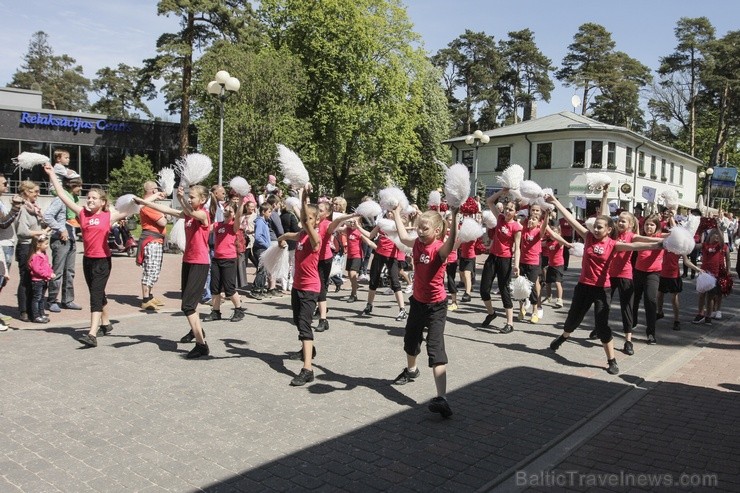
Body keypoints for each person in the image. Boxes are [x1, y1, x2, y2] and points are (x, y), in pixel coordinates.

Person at [546, 194, 664, 375]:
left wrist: (660, 245)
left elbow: (636, 246)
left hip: (602, 289)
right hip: (583, 287)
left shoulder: (614, 244)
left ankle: (612, 361)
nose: (595, 230)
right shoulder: (587, 237)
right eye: (594, 227)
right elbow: (570, 219)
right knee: (572, 321)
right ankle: (563, 337)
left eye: (599, 228)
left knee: (602, 326)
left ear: (609, 229)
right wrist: (555, 202)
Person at [44, 164, 131, 347]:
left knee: (95, 295)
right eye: (89, 197)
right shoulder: (82, 213)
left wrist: (149, 198)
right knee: (96, 292)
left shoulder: (109, 216)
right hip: (87, 260)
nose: (90, 200)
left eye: (94, 198)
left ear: (102, 202)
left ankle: (92, 334)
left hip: (103, 261)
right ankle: (106, 324)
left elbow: (132, 208)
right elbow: (62, 194)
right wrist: (52, 174)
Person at [391, 205, 459, 418]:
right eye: (419, 227)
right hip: (417, 302)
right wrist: (395, 213)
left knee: (435, 348)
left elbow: (452, 239)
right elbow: (403, 236)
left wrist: (455, 216)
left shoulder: (440, 248)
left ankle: (442, 398)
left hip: (437, 306)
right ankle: (411, 371)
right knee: (411, 341)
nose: (419, 231)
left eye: (425, 229)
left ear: (437, 231)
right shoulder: (418, 244)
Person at [134, 185, 212, 358]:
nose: (190, 199)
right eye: (189, 197)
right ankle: (196, 330)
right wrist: (144, 203)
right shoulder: (189, 214)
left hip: (200, 263)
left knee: (188, 306)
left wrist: (182, 199)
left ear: (203, 200)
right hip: (188, 261)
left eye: (192, 197)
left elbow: (192, 214)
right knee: (188, 303)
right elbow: (167, 209)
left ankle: (202, 345)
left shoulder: (203, 214)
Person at [279, 184, 321, 386]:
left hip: (310, 288)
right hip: (297, 287)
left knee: (304, 326)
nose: (305, 222)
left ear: (316, 221)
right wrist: (281, 238)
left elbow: (306, 220)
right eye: (304, 219)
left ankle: (307, 369)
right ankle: (309, 349)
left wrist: (303, 198)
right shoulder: (301, 235)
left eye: (310, 219)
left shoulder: (315, 238)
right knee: (298, 321)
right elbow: (290, 235)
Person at [480, 188, 521, 333]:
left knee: (504, 291)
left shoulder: (516, 227)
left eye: (511, 209)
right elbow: (490, 201)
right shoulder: (500, 218)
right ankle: (491, 314)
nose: (507, 211)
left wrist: (516, 265)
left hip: (505, 260)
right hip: (493, 257)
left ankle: (510, 323)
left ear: (515, 212)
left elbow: (517, 247)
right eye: (507, 208)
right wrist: (502, 192)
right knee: (484, 289)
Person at [43, 176, 83, 313]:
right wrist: (61, 228)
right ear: (72, 186)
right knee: (57, 271)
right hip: (60, 240)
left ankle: (68, 300)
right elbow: (47, 216)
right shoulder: (60, 200)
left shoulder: (73, 201)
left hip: (71, 239)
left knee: (70, 271)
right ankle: (52, 300)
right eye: (79, 186)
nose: (81, 189)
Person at [203, 196, 246, 323]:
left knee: (229, 288)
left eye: (230, 211)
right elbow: (204, 228)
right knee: (215, 287)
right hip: (216, 259)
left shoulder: (234, 226)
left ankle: (239, 310)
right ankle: (216, 312)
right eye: (225, 210)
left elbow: (238, 215)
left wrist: (241, 202)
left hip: (229, 260)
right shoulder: (217, 225)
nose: (227, 213)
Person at [15, 180, 50, 322]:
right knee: (25, 278)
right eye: (35, 191)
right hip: (26, 246)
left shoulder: (33, 208)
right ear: (27, 192)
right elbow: (22, 231)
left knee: (35, 278)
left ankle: (33, 310)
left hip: (35, 245)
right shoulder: (23, 209)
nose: (38, 194)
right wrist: (39, 231)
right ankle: (24, 310)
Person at [632, 214, 665, 344]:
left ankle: (651, 333)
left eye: (652, 224)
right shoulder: (640, 237)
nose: (649, 227)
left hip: (653, 274)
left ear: (657, 226)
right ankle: (632, 322)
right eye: (646, 224)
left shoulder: (660, 237)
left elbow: (675, 234)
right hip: (638, 272)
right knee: (633, 300)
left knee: (650, 301)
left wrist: (672, 218)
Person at [137, 181, 168, 310]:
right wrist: (164, 216)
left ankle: (149, 296)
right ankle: (145, 299)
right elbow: (162, 222)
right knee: (150, 270)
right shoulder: (148, 205)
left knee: (154, 270)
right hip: (152, 241)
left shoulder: (150, 204)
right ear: (153, 190)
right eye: (157, 189)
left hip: (156, 240)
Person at [0, 176, 24, 328]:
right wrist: (15, 208)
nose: (7, 185)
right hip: (2, 246)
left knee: (2, 281)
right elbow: (2, 223)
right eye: (4, 183)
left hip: (6, 245)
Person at [27, 235, 54, 323]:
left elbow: (47, 266)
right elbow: (37, 270)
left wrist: (50, 272)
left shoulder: (44, 255)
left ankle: (41, 313)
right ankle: (36, 316)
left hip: (44, 280)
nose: (47, 246)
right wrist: (47, 274)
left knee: (41, 298)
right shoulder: (35, 256)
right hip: (37, 281)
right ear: (38, 245)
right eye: (45, 244)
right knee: (37, 298)